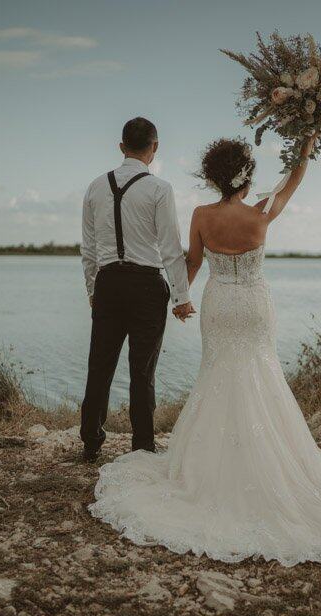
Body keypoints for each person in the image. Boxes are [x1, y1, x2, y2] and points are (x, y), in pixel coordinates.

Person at [89, 135, 321, 566]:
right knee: (262, 374)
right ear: (246, 177)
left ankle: (208, 468)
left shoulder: (202, 215)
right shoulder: (261, 213)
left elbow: (193, 264)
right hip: (256, 307)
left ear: (211, 175)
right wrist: (306, 143)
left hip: (219, 305)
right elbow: (294, 180)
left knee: (218, 374)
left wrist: (178, 298)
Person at [79, 117, 196, 462]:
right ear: (155, 147)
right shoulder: (160, 189)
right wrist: (182, 298)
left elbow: (88, 250)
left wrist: (92, 291)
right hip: (146, 284)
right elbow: (171, 248)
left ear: (121, 147)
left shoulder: (94, 187)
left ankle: (90, 442)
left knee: (99, 365)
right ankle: (143, 445)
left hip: (108, 283)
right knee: (142, 369)